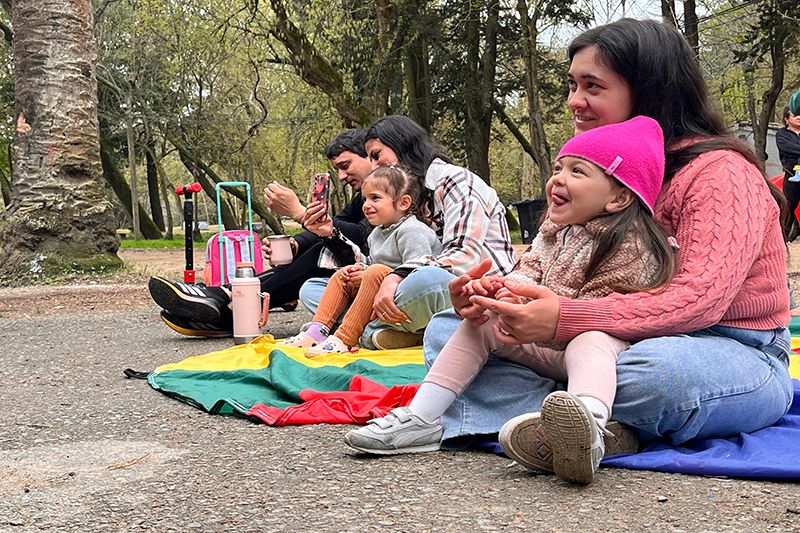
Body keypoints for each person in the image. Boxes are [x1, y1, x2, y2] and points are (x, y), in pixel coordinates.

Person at [421, 18, 793, 475]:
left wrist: (564, 317)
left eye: (592, 86)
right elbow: (545, 261)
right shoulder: (588, 170)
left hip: (722, 349)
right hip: (589, 344)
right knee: (449, 328)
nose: (574, 101)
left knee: (655, 376)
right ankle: (591, 424)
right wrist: (497, 299)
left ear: (649, 90)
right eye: (572, 84)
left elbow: (700, 302)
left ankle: (566, 415)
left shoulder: (720, 174)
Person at [344, 117, 676, 484]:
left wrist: (549, 314)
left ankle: (590, 427)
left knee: (592, 340)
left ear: (618, 197)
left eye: (577, 171)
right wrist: (497, 295)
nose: (557, 179)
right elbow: (525, 273)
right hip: (546, 346)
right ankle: (422, 417)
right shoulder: (552, 233)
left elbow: (610, 311)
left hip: (600, 353)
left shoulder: (632, 243)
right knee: (473, 323)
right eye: (558, 168)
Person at [298, 115, 516, 350]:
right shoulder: (402, 198)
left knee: (426, 280)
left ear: (401, 143)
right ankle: (395, 331)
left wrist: (395, 276)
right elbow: (377, 261)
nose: (373, 166)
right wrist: (330, 234)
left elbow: (465, 255)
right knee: (313, 288)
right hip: (402, 289)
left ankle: (359, 331)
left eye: (376, 155)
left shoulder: (455, 180)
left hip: (467, 289)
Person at [148, 128, 373, 337]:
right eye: (337, 169)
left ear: (369, 156)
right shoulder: (363, 196)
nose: (341, 176)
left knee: (324, 252)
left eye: (345, 165)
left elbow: (363, 236)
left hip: (373, 274)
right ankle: (227, 301)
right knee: (321, 245)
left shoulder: (388, 187)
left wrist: (300, 213)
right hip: (355, 272)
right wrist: (295, 244)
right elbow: (341, 224)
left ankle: (227, 307)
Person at [280, 166, 442, 355]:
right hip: (379, 297)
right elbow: (372, 264)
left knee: (375, 271)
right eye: (365, 199)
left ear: (403, 202)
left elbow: (419, 272)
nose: (366, 205)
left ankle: (345, 338)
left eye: (375, 198)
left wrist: (372, 273)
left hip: (406, 298)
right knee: (343, 275)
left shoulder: (413, 231)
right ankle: (317, 331)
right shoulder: (376, 234)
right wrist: (360, 270)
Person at [777, 96, 800, 242]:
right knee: (788, 211)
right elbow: (789, 149)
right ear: (787, 119)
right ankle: (780, 241)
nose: (799, 117)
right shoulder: (782, 135)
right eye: (795, 115)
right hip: (792, 178)